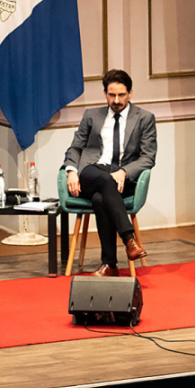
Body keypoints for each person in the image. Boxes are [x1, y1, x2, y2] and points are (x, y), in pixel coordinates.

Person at [63, 69, 157, 276]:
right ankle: (129, 240)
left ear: (130, 93)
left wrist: (124, 171)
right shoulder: (91, 116)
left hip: (122, 179)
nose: (116, 100)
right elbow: (75, 148)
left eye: (121, 95)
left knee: (100, 199)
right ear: (105, 94)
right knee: (105, 181)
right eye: (112, 95)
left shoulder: (145, 118)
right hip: (92, 171)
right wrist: (71, 171)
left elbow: (148, 157)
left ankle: (110, 266)